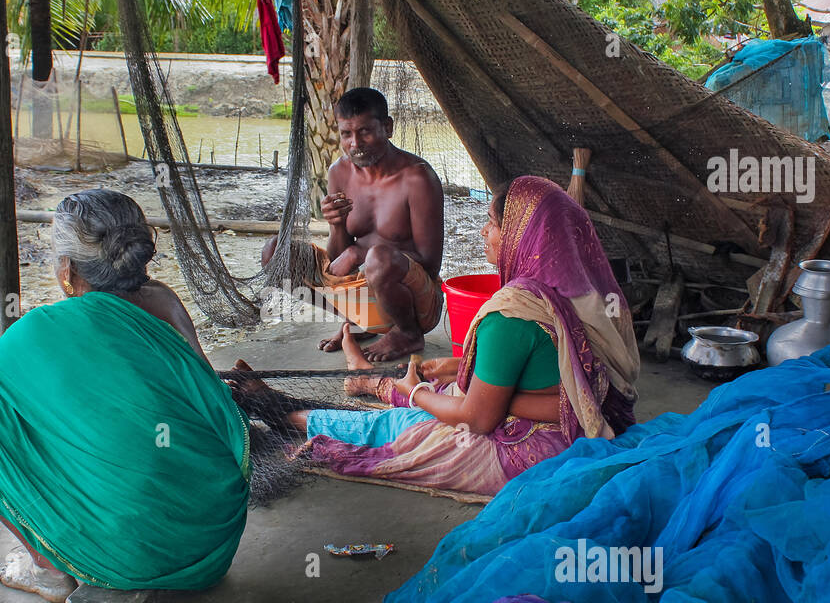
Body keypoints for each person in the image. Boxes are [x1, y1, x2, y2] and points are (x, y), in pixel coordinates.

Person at [0, 189, 251, 600]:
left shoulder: (42, 328)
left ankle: (47, 566)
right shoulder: (165, 300)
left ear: (67, 268)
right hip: (213, 531)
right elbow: (206, 394)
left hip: (134, 555)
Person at [240, 176, 639, 497]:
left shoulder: (511, 315)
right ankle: (333, 388)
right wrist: (463, 371)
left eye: (494, 224)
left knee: (395, 431)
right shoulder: (586, 298)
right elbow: (578, 393)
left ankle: (278, 410)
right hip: (574, 431)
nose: (485, 231)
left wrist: (418, 393)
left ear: (523, 235)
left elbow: (477, 419)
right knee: (439, 394)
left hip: (527, 454)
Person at [263, 87, 445, 362]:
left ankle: (407, 334)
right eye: (346, 134)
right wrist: (336, 225)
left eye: (365, 132)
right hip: (361, 295)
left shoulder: (417, 178)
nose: (355, 144)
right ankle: (359, 322)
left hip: (416, 304)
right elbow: (338, 258)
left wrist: (359, 253)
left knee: (379, 257)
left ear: (387, 127)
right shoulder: (339, 171)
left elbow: (431, 265)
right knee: (274, 253)